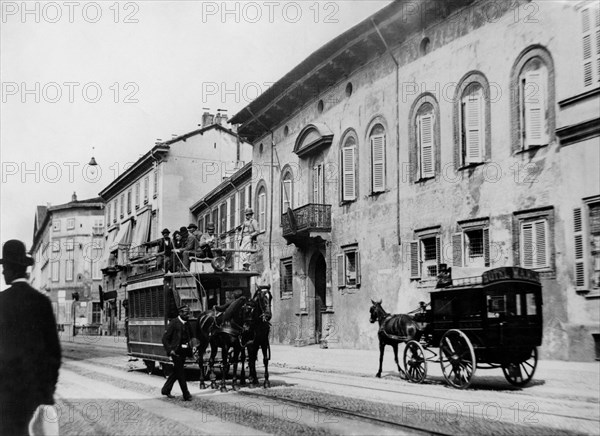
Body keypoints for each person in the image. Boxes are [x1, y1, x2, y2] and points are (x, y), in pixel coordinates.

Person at [0, 240, 62, 435]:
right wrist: (47, 391)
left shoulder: (1, 302)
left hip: (5, 393)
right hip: (34, 393)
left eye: (3, 267)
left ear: (10, 269)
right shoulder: (42, 302)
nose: (2, 273)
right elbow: (54, 352)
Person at [161, 305, 193, 401]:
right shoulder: (174, 323)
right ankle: (186, 394)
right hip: (176, 352)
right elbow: (165, 339)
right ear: (180, 313)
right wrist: (170, 350)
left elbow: (190, 337)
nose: (188, 315)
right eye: (186, 313)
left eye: (189, 313)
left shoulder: (187, 324)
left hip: (184, 352)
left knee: (176, 372)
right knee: (181, 373)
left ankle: (166, 389)